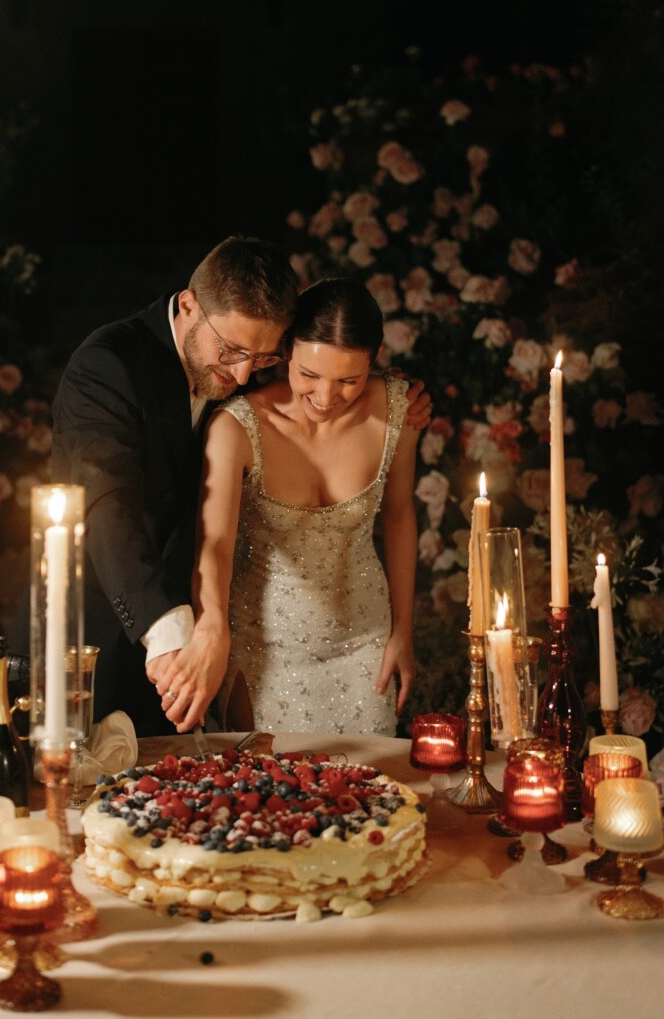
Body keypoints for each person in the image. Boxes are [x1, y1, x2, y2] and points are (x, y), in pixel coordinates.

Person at [47, 237, 431, 738]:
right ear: (188, 304)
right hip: (99, 640)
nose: (244, 373)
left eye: (265, 359)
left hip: (200, 649)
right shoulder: (108, 366)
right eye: (231, 351)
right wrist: (174, 634)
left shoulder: (251, 368)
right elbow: (108, 508)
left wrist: (392, 392)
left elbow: (329, 369)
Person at [154, 277, 418, 736]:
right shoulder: (237, 426)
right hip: (261, 649)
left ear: (374, 360)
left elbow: (399, 516)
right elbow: (214, 542)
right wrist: (211, 630)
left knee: (372, 794)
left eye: (348, 381)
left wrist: (403, 630)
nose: (326, 397)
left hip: (364, 644)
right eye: (309, 375)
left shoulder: (400, 409)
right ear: (286, 351)